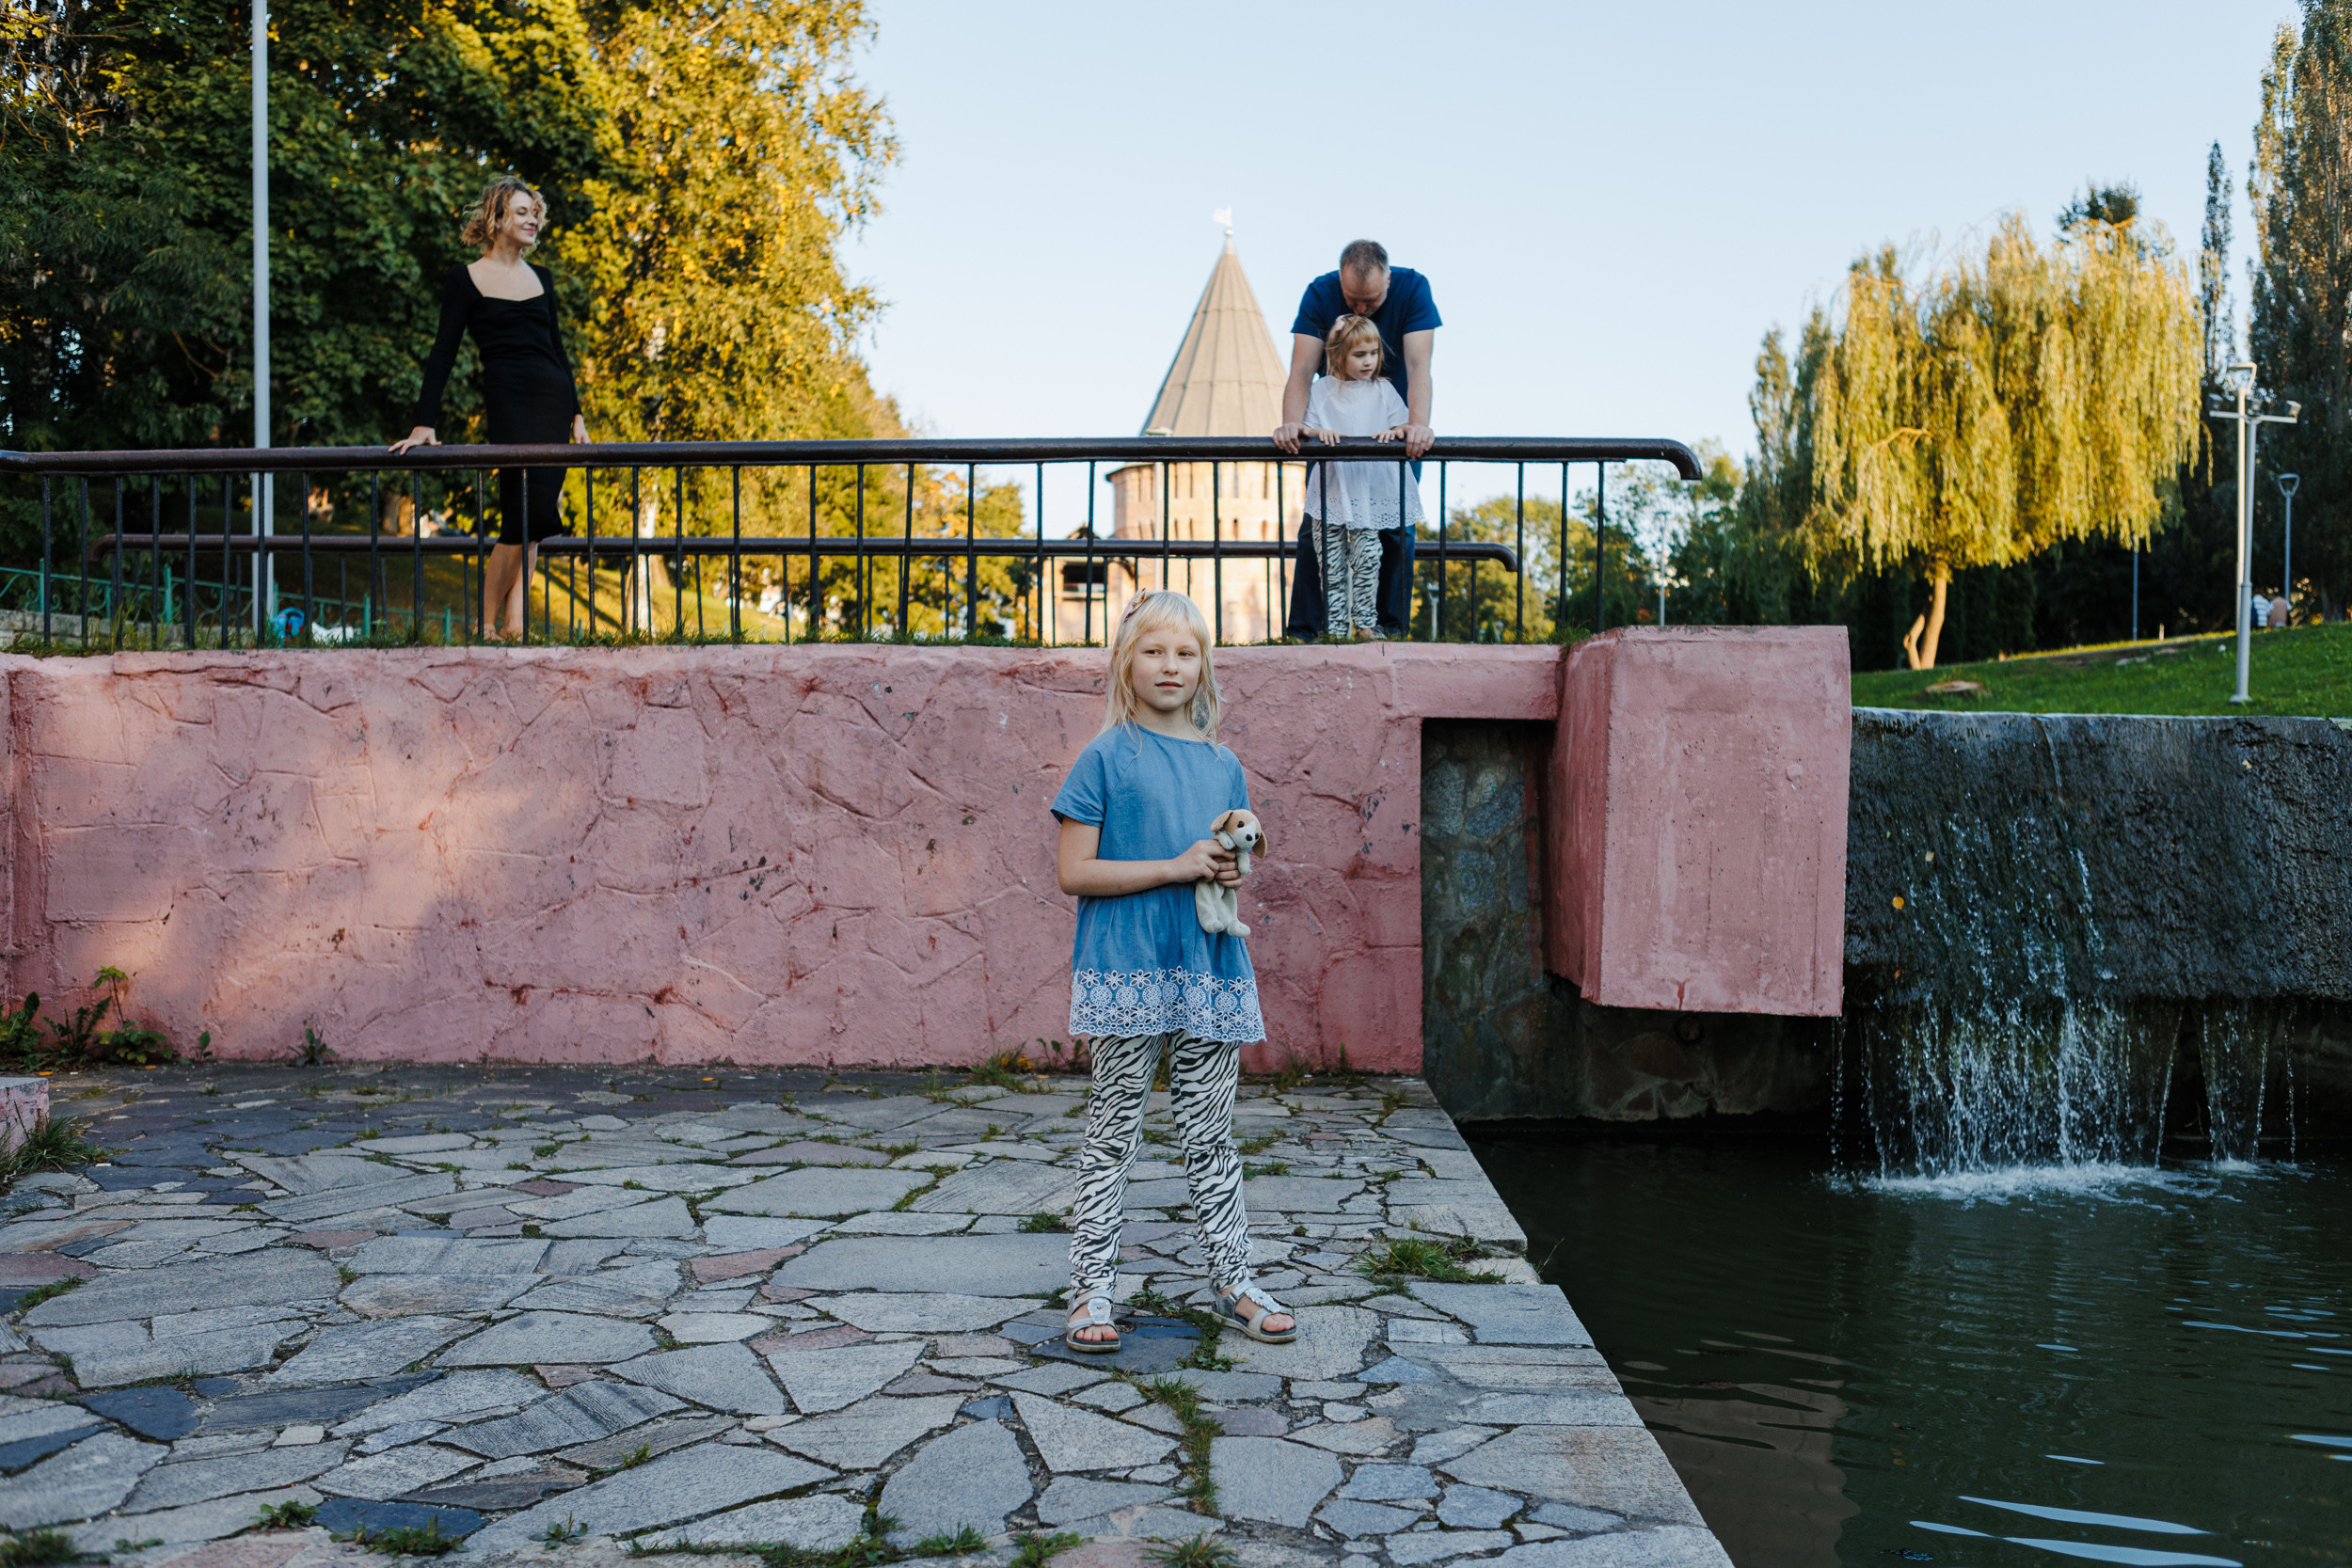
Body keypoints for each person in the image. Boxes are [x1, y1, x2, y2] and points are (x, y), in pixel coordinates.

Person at [1050, 591, 1296, 1354]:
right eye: (1154, 650)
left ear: (1204, 667)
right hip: (1129, 965)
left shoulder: (1224, 765)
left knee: (1212, 1133)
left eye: (1186, 653)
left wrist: (1227, 869)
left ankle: (1236, 1278)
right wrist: (1177, 864)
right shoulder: (1104, 756)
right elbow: (1073, 873)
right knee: (1112, 1132)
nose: (1170, 666)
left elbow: (1231, 860)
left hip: (1207, 962)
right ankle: (1092, 1289)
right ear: (1127, 659)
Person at [391, 177, 587, 641]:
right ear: (497, 218)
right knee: (519, 516)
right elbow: (443, 352)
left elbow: (559, 349)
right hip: (508, 401)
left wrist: (577, 414)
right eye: (522, 212)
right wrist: (425, 422)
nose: (533, 219)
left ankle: (517, 626)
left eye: (535, 212)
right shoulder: (466, 279)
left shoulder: (543, 279)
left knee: (537, 518)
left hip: (553, 401)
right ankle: (484, 625)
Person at [1273, 239, 1439, 639]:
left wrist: (1416, 426)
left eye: (1371, 300)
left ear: (1389, 279)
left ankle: (1387, 627)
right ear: (1340, 282)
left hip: (1391, 425)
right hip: (1334, 429)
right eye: (1353, 300)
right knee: (1318, 526)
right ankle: (1308, 630)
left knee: (1396, 528)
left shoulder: (1414, 289)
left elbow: (1419, 367)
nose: (1361, 309)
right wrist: (1294, 424)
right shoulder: (1320, 292)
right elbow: (1300, 370)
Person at [1297, 316, 1424, 638]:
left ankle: (1365, 624)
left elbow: (1402, 425)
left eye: (1373, 353)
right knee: (1332, 562)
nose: (1368, 361)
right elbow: (1307, 426)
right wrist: (1317, 432)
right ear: (1339, 354)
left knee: (1369, 556)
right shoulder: (1323, 390)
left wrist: (1393, 432)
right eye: (1359, 355)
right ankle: (1337, 628)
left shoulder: (1383, 389)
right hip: (1331, 491)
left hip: (1367, 492)